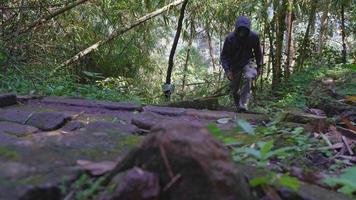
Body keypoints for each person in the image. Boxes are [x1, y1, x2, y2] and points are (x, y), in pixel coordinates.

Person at [221, 15, 263, 113]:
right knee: (235, 89)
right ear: (237, 29)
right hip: (234, 64)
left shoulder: (254, 37)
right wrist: (227, 71)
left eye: (245, 30)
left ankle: (243, 105)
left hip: (248, 62)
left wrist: (259, 66)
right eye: (241, 30)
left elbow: (258, 52)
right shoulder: (230, 38)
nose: (242, 32)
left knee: (248, 77)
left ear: (248, 29)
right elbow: (224, 56)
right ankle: (238, 106)